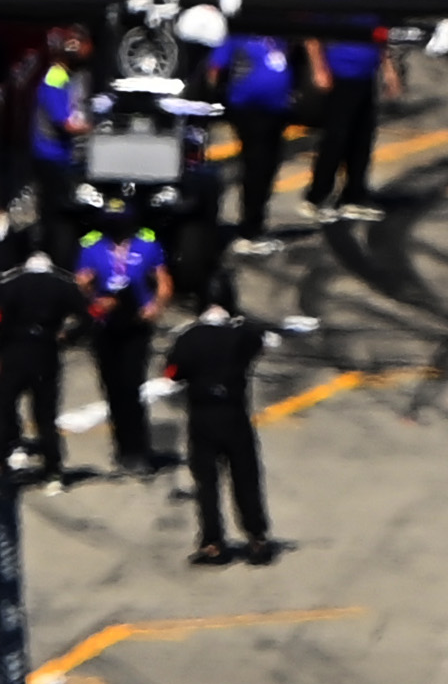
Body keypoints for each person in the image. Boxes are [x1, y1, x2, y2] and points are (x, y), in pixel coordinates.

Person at [164, 281, 269, 562]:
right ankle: (256, 537)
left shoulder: (189, 337)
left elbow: (172, 373)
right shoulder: (243, 335)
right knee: (245, 476)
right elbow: (259, 343)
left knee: (207, 481)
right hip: (234, 412)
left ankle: (213, 542)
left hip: (202, 415)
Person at [75, 202, 166, 472]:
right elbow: (82, 282)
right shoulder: (91, 247)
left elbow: (163, 281)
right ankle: (122, 449)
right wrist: (92, 300)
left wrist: (155, 307)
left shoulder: (146, 244)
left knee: (131, 386)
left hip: (135, 324)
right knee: (112, 389)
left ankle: (139, 449)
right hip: (106, 325)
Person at [302, 0, 390, 221]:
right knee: (336, 137)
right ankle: (316, 197)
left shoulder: (372, 0)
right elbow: (312, 32)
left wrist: (389, 70)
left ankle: (354, 195)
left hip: (366, 76)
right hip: (341, 74)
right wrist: (319, 69)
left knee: (362, 139)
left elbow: (379, 38)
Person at [212, 22, 295, 244]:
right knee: (257, 164)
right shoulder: (238, 35)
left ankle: (256, 223)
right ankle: (249, 228)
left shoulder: (280, 36)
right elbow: (216, 67)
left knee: (270, 165)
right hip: (248, 108)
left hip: (277, 109)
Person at [0, 242, 71, 474]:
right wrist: (68, 336)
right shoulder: (62, 286)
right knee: (45, 413)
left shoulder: (10, 286)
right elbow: (87, 315)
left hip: (14, 353)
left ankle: (7, 453)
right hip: (46, 351)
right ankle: (53, 467)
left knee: (5, 405)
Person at [25, 26, 83, 247]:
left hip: (56, 156)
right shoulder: (56, 77)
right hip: (49, 155)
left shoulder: (65, 77)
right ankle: (49, 250)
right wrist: (91, 128)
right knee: (54, 210)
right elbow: (64, 122)